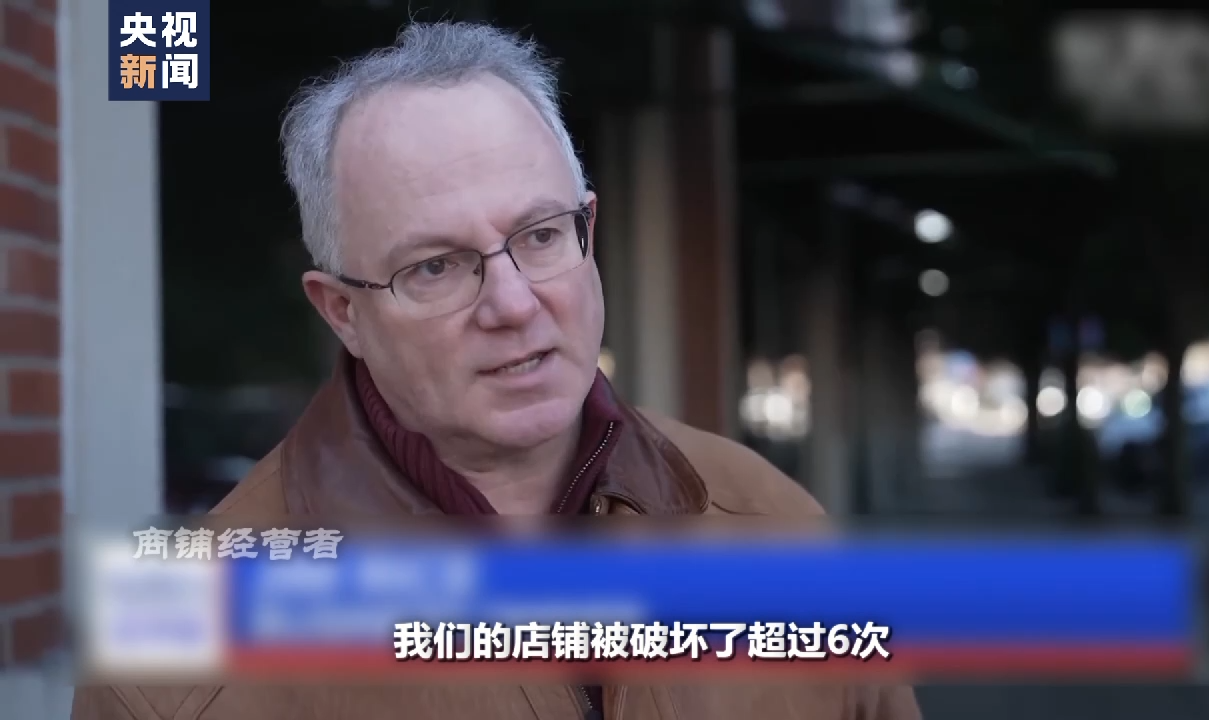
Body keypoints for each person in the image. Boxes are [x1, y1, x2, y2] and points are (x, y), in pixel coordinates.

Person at [72, 21, 921, 720]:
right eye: (436, 266)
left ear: (588, 229)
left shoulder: (773, 522)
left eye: (541, 235)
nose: (513, 303)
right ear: (342, 312)